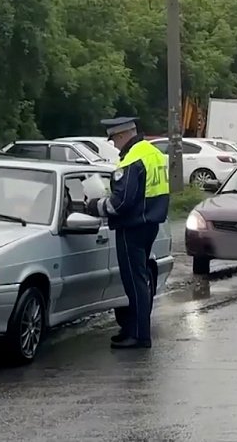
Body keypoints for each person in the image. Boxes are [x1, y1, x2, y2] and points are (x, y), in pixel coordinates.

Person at [83, 116, 169, 349]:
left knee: (135, 282)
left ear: (122, 135)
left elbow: (120, 204)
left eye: (114, 140)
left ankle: (139, 336)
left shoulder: (132, 160)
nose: (114, 145)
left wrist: (94, 206)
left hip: (131, 227)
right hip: (150, 223)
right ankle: (133, 329)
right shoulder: (153, 154)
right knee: (139, 280)